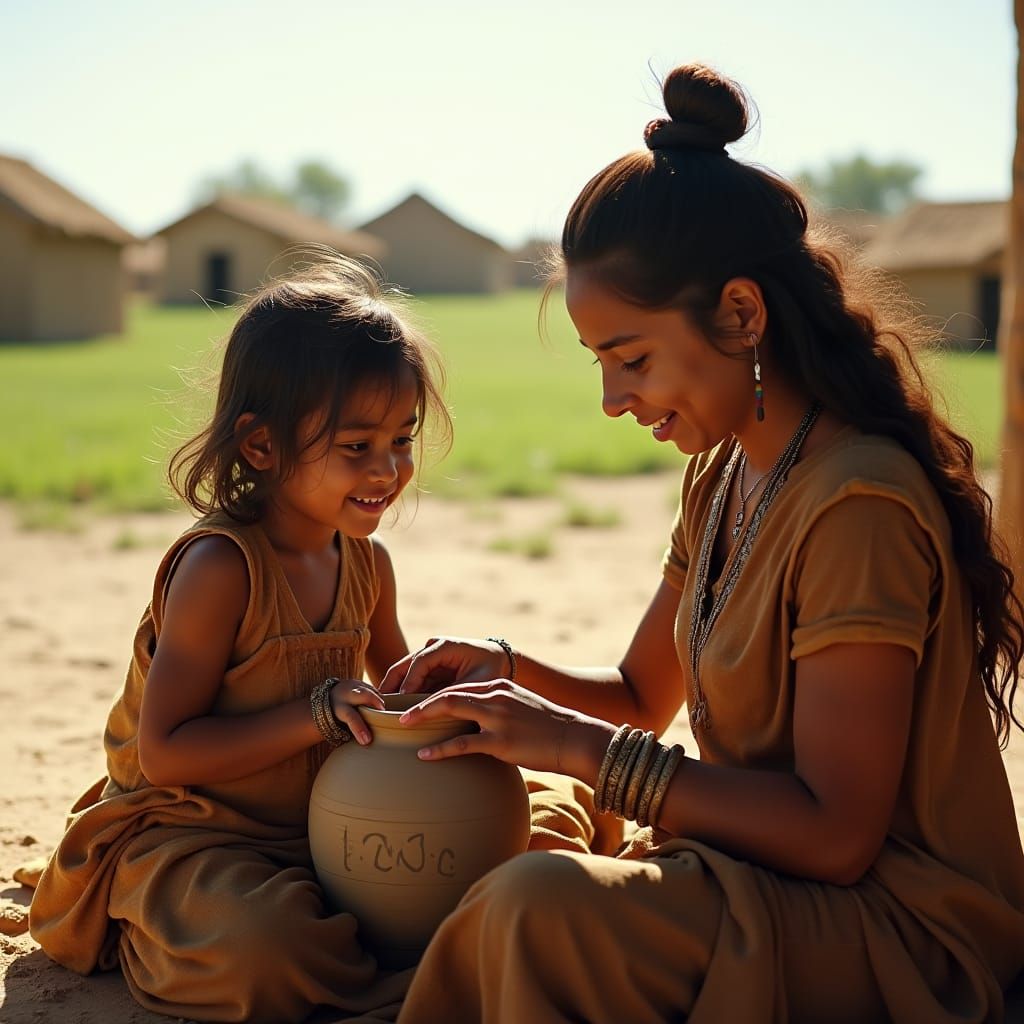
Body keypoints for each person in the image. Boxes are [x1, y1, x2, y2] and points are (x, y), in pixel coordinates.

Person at [381, 64, 1024, 1023]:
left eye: (631, 359)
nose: (612, 399)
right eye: (605, 366)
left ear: (742, 314)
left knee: (531, 909)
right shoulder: (721, 477)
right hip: (766, 875)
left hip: (897, 922)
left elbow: (838, 836)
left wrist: (576, 747)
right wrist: (505, 677)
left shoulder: (859, 506)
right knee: (521, 850)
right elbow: (645, 696)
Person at [29, 256, 457, 1022]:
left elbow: (395, 696)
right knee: (266, 951)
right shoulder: (220, 569)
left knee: (500, 835)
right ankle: (137, 931)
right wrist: (318, 715)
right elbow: (166, 752)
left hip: (320, 831)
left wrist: (442, 696)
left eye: (402, 439)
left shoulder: (369, 563)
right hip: (195, 842)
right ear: (261, 447)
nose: (390, 469)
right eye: (357, 446)